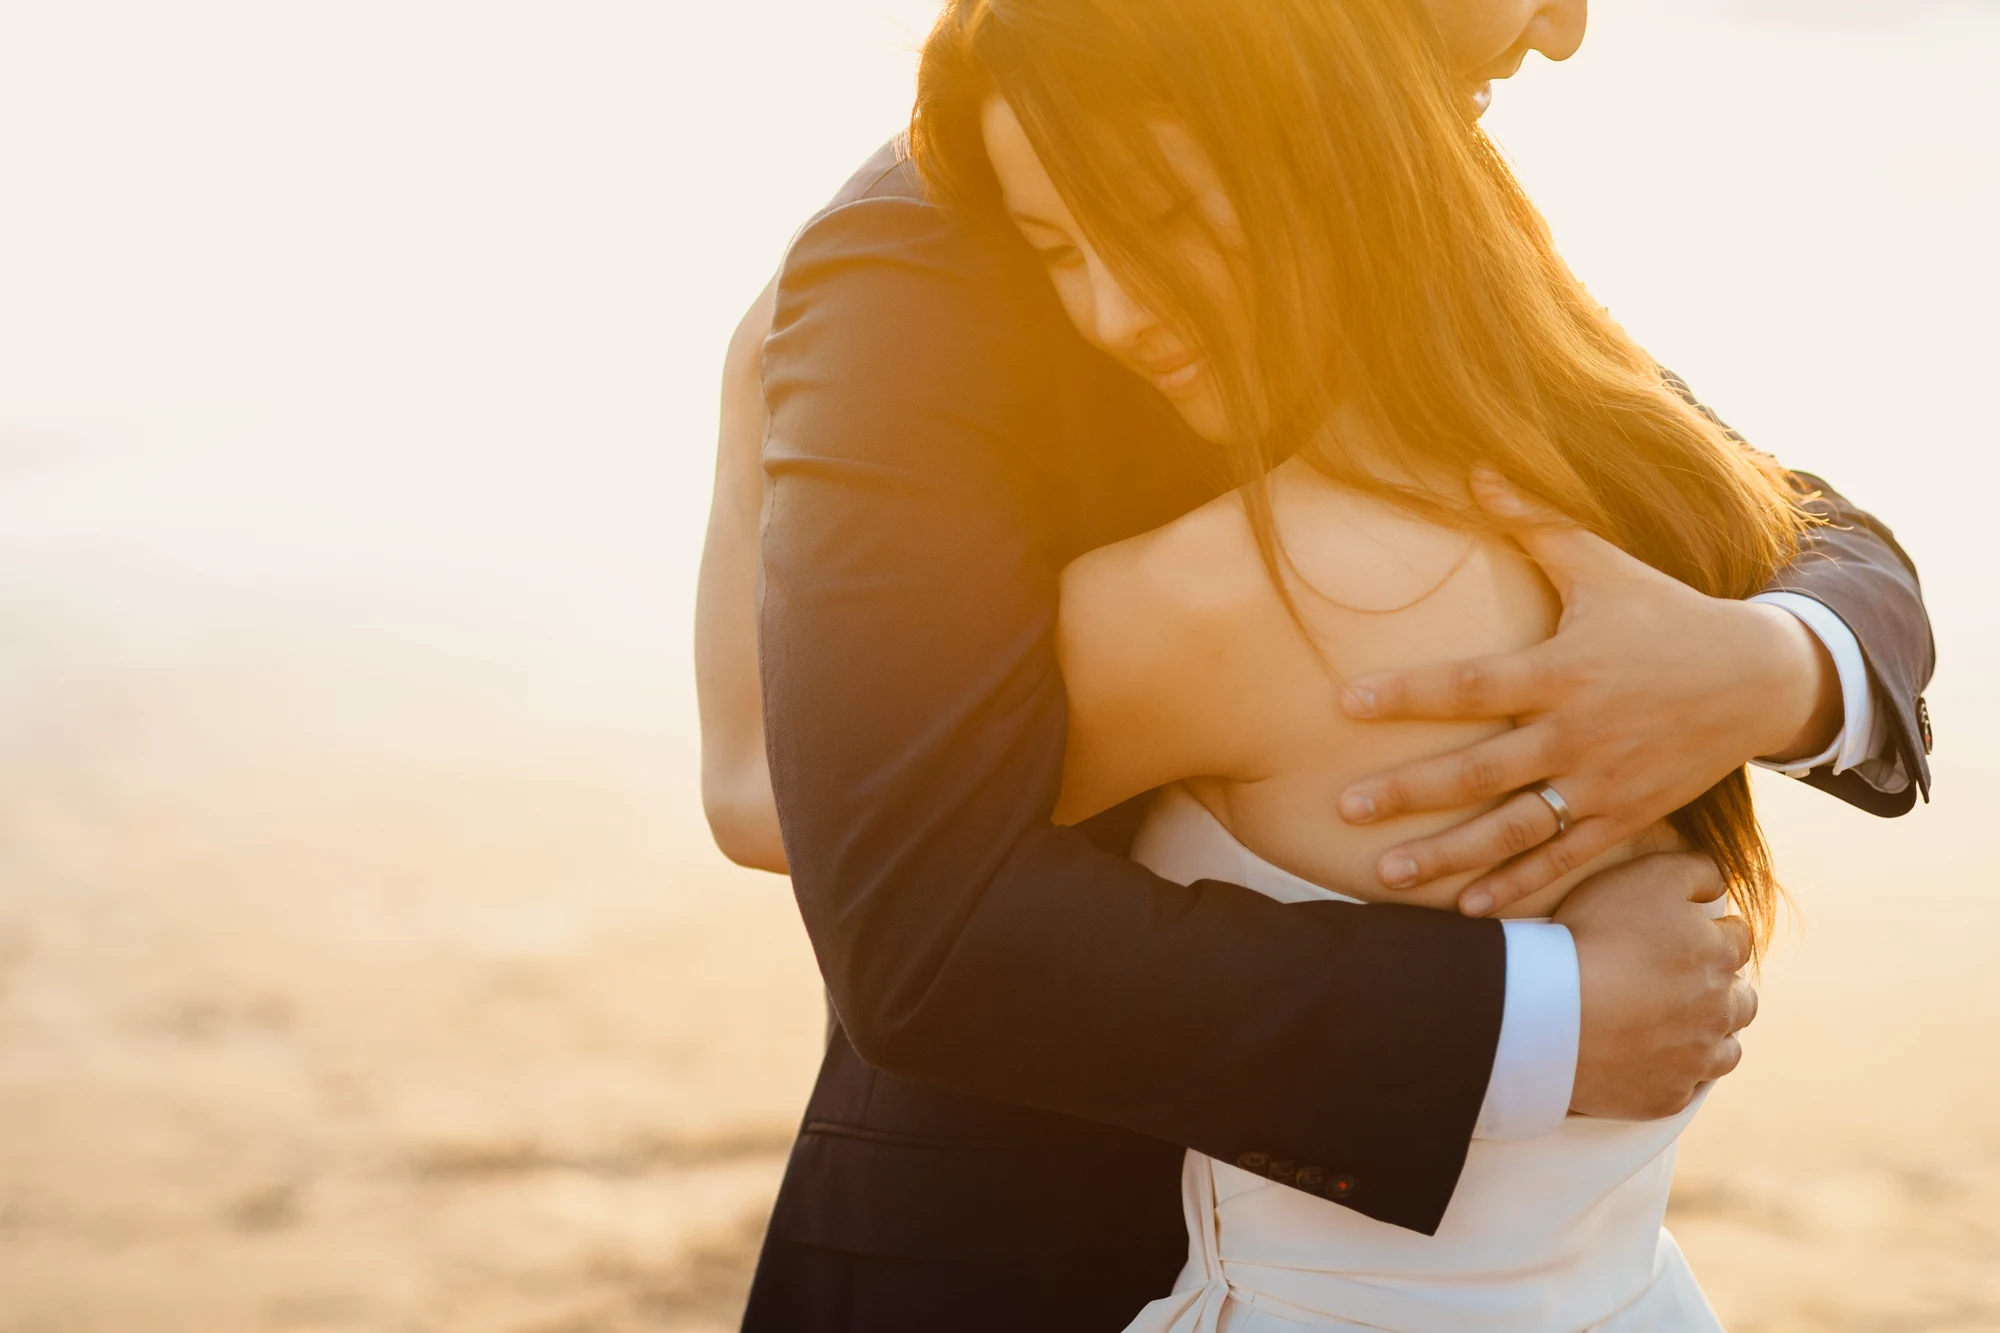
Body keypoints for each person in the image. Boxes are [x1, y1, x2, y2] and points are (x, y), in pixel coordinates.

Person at [695, 1, 1934, 1328]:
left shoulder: (1411, 229)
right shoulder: (920, 256)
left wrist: (1772, 665)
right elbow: (848, 850)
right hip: (1041, 1251)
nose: (1563, 30)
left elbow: (1774, 511)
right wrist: (1546, 1018)